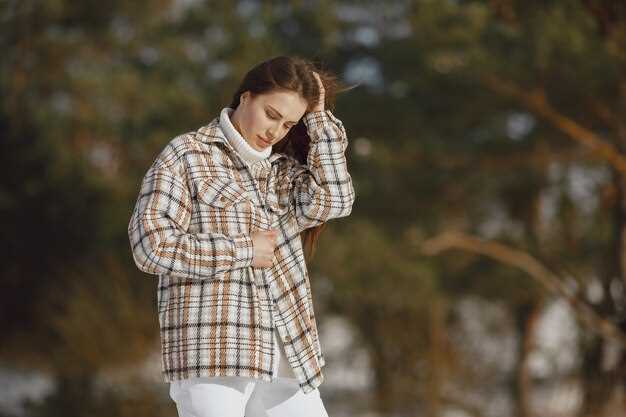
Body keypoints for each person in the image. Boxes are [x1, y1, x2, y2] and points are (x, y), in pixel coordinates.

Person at [127, 55, 356, 417]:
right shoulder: (187, 155)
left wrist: (319, 121)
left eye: (288, 123)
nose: (275, 131)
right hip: (216, 352)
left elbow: (335, 201)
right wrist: (242, 250)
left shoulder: (282, 173)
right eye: (271, 114)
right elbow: (150, 245)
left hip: (288, 355)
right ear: (246, 96)